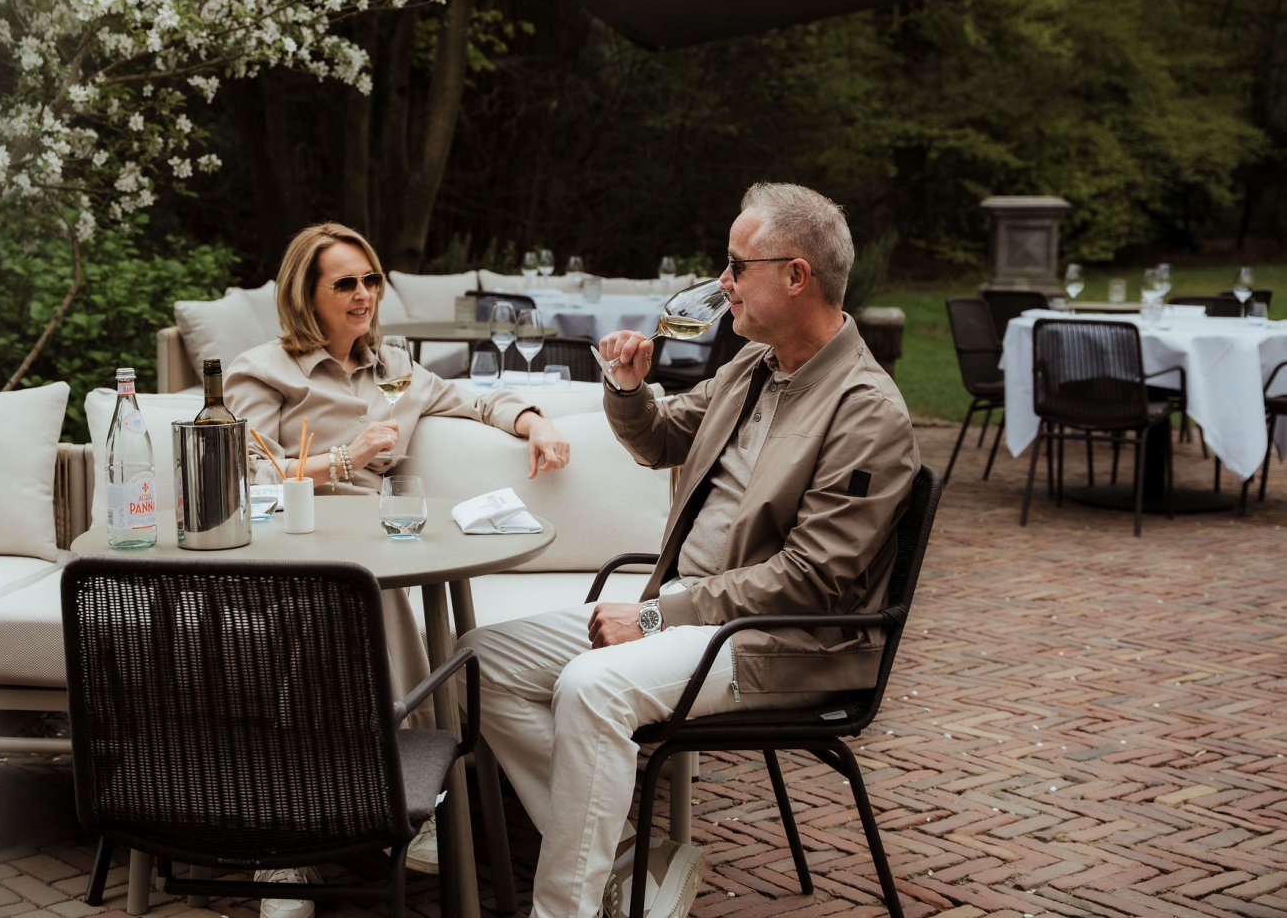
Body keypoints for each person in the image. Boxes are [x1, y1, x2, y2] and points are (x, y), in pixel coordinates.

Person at [457, 183, 921, 918]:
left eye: (737, 265)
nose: (722, 282)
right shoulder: (754, 368)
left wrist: (653, 617)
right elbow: (661, 438)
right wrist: (627, 387)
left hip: (778, 642)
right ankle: (626, 861)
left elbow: (810, 582)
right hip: (689, 611)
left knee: (592, 687)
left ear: (796, 276)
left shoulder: (866, 411)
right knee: (478, 663)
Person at [225, 221, 570, 917]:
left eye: (371, 280)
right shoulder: (263, 371)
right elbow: (245, 477)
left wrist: (535, 421)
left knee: (366, 586)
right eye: (345, 284)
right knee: (359, 592)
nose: (364, 295)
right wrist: (345, 459)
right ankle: (401, 797)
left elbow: (478, 398)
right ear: (306, 295)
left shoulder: (397, 369)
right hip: (286, 546)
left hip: (373, 546)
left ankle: (299, 836)